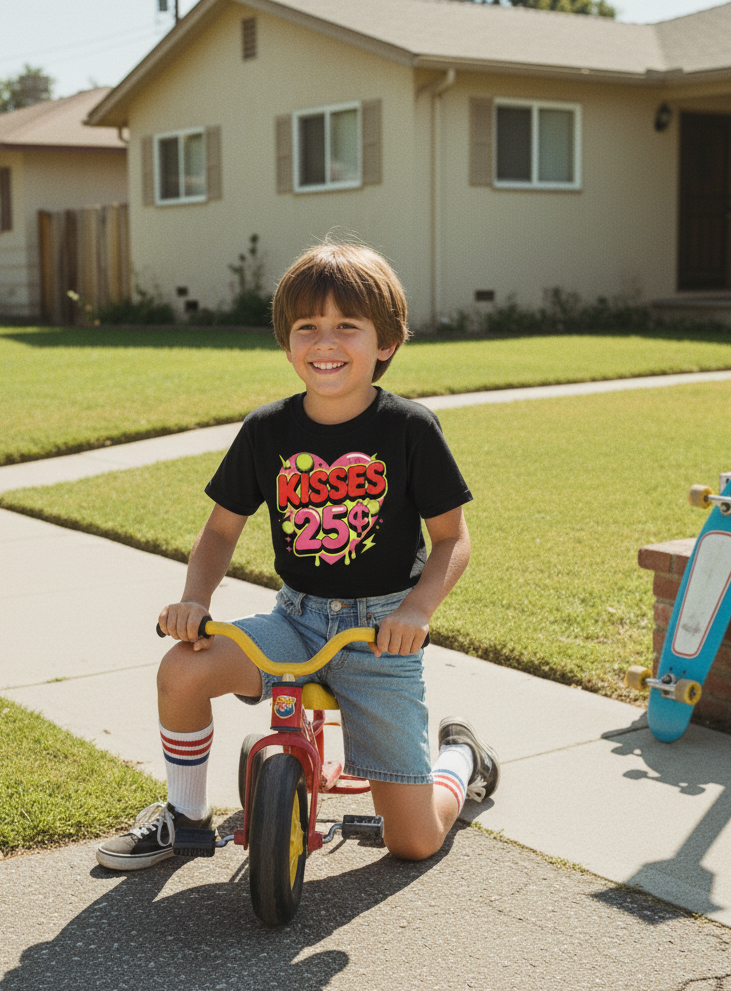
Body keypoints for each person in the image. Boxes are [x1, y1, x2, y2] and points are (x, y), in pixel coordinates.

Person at [96, 240, 498, 871]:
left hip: (381, 632)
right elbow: (220, 532)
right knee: (182, 669)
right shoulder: (267, 431)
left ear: (386, 343)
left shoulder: (410, 429)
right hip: (296, 619)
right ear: (287, 343)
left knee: (413, 842)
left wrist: (417, 613)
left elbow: (453, 539)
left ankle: (461, 759)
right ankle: (184, 817)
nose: (325, 342)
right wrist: (195, 601)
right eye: (307, 326)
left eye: (348, 326)